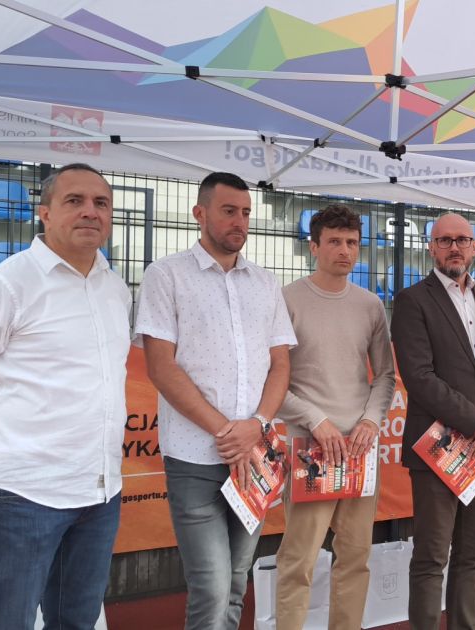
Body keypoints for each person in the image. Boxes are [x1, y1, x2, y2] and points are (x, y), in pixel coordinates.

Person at [0, 163, 130, 629]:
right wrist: (8, 449)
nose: (90, 212)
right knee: (8, 623)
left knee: (75, 621)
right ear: (44, 213)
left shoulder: (114, 288)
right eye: (74, 201)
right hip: (23, 494)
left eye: (101, 203)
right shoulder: (4, 286)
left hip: (99, 492)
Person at [135, 172, 296, 630]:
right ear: (199, 214)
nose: (239, 221)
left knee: (236, 581)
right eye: (229, 211)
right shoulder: (165, 275)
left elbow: (280, 365)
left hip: (256, 457)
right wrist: (230, 432)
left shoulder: (265, 283)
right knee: (209, 585)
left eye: (245, 212)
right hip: (195, 456)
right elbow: (161, 367)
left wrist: (258, 425)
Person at [391, 212, 475, 630]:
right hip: (438, 448)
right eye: (445, 240)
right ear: (431, 247)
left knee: (473, 555)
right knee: (432, 556)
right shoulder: (413, 300)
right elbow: (419, 376)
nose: (454, 247)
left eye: (463, 240)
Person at [274, 204, 396, 630]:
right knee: (298, 560)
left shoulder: (370, 305)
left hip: (360, 450)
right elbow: (271, 380)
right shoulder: (286, 299)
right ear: (313, 246)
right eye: (334, 242)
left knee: (355, 558)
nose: (344, 251)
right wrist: (314, 420)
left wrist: (369, 422)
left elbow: (385, 375)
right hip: (310, 449)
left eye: (351, 243)